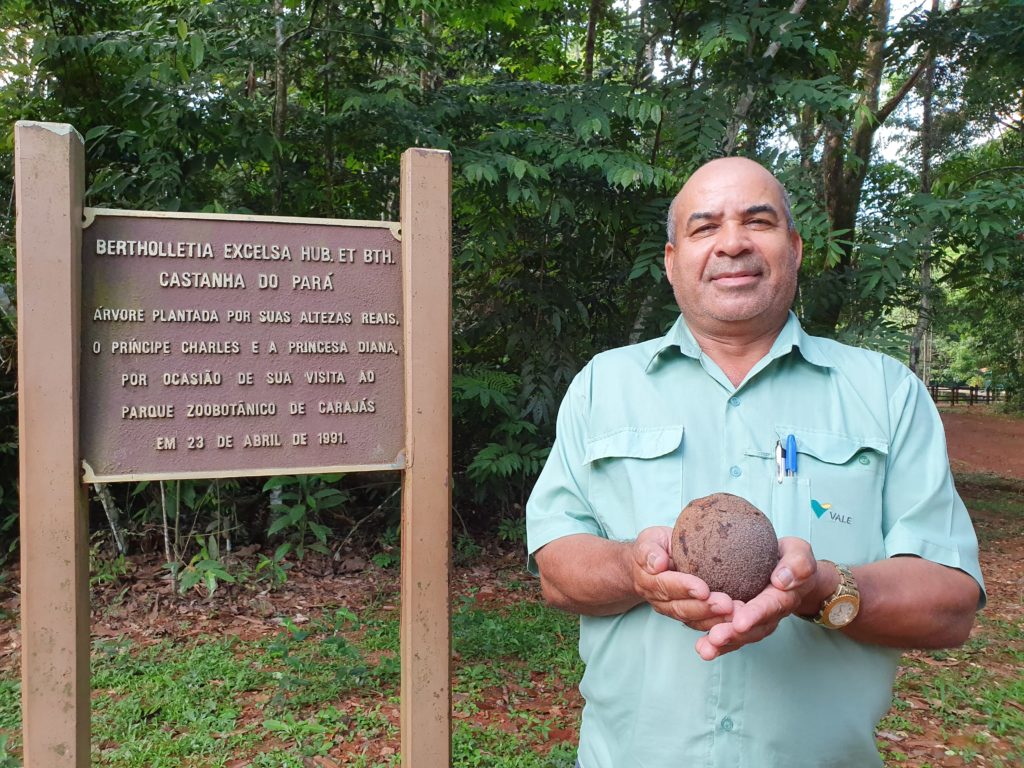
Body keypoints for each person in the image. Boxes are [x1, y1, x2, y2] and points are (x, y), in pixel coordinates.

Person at [525, 157, 985, 768]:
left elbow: (950, 604)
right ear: (672, 261)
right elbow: (557, 568)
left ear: (794, 249)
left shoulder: (884, 391)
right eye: (704, 226)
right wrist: (633, 571)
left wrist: (820, 589)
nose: (732, 242)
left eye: (758, 221)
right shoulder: (601, 386)